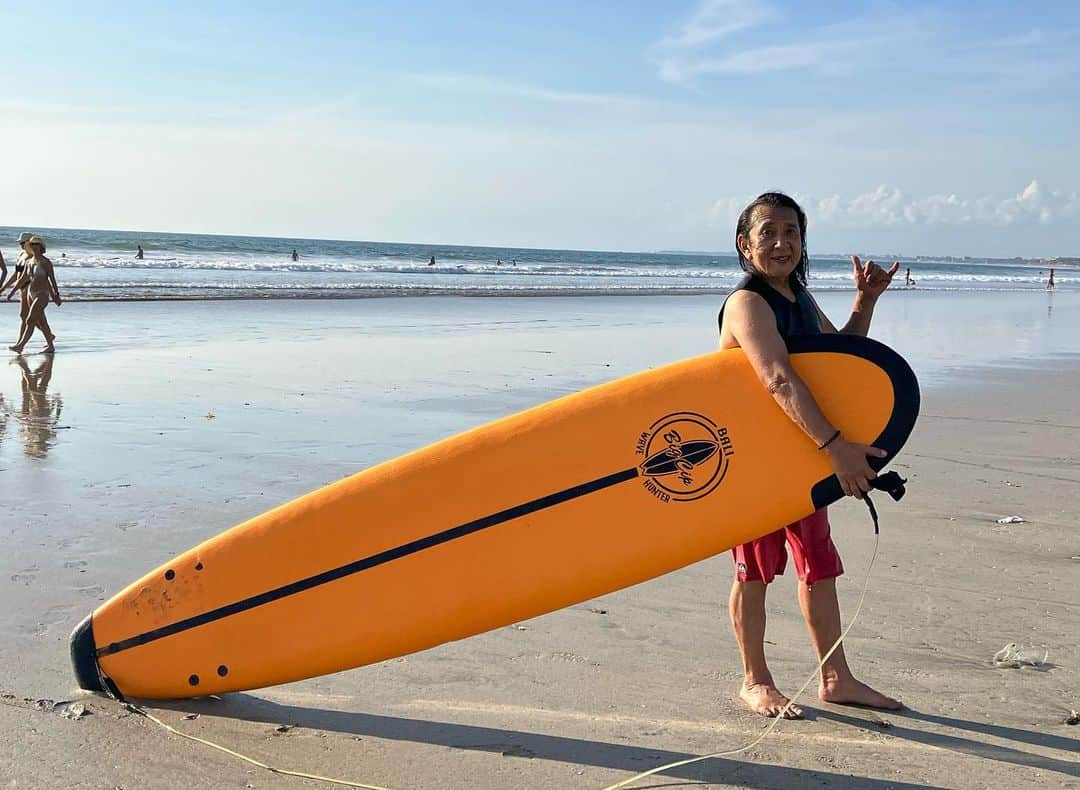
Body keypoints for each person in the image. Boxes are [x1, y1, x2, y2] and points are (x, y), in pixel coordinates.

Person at [718, 192, 902, 719]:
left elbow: (841, 360)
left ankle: (835, 676)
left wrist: (864, 303)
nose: (781, 243)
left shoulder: (799, 298)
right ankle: (755, 680)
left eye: (792, 233)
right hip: (754, 460)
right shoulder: (747, 303)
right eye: (768, 233)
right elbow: (777, 378)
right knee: (754, 568)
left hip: (799, 455)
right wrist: (836, 448)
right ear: (744, 244)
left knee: (818, 564)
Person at [8, 236, 61, 354]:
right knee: (42, 322)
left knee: (30, 319)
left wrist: (56, 295)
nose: (32, 246)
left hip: (42, 294)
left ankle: (20, 345)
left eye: (35, 244)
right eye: (31, 244)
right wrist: (12, 292)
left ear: (41, 246)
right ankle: (51, 346)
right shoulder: (29, 261)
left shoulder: (46, 262)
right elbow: (22, 279)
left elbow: (52, 280)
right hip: (30, 293)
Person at [2, 233, 34, 347]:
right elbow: (16, 274)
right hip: (22, 288)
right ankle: (49, 336)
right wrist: (4, 287)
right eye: (20, 243)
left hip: (29, 288)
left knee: (27, 316)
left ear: (29, 242)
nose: (20, 245)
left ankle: (19, 344)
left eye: (22, 242)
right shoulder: (21, 254)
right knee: (29, 317)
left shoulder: (32, 257)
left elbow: (27, 276)